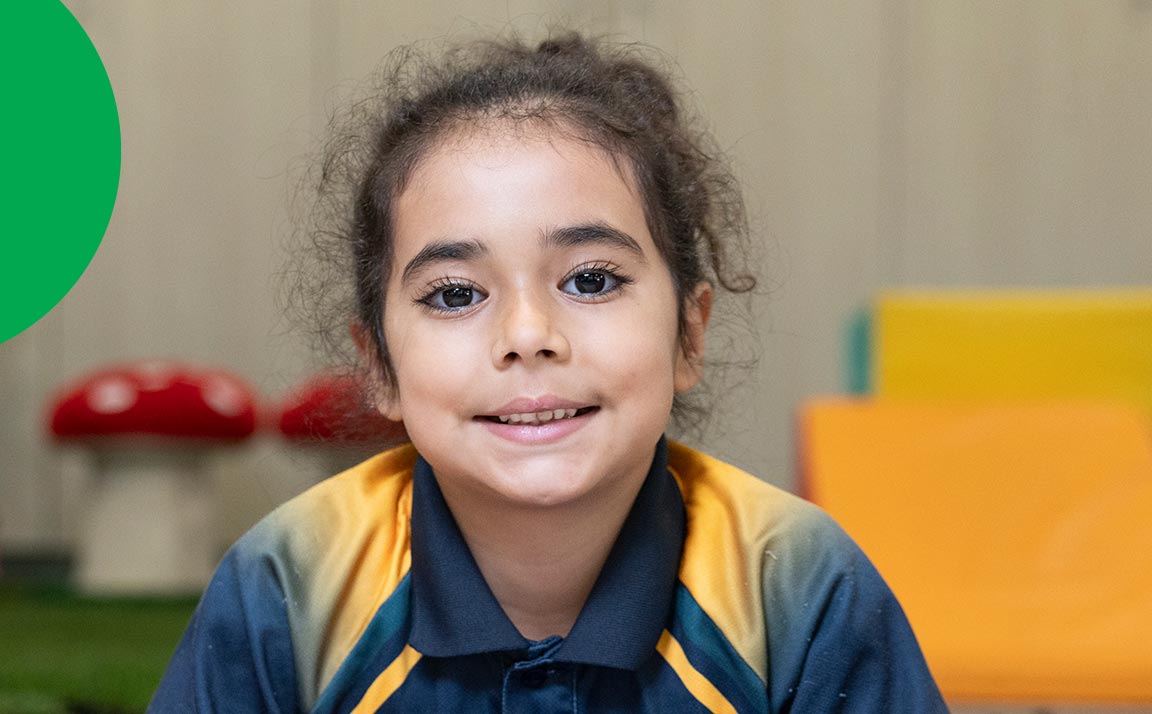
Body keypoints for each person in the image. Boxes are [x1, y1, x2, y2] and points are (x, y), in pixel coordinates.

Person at [148, 32, 946, 713]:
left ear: (688, 336)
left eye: (591, 280)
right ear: (379, 368)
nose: (528, 335)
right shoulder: (288, 588)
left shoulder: (798, 587)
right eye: (456, 294)